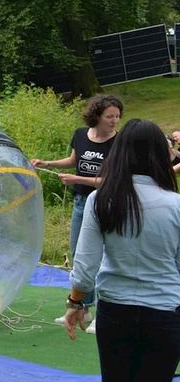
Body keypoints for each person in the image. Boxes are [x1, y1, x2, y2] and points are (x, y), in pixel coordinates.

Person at [63, 119, 180, 382]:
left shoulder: (101, 200)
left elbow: (85, 269)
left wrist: (75, 303)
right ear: (161, 154)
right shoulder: (176, 205)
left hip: (116, 313)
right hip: (165, 314)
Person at [31, 94, 123, 333]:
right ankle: (83, 307)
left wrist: (77, 179)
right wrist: (48, 164)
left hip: (106, 203)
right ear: (96, 115)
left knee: (103, 259)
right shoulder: (81, 134)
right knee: (78, 253)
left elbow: (112, 180)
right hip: (82, 203)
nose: (114, 121)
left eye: (117, 116)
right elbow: (74, 160)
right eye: (109, 116)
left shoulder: (119, 142)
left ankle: (103, 316)